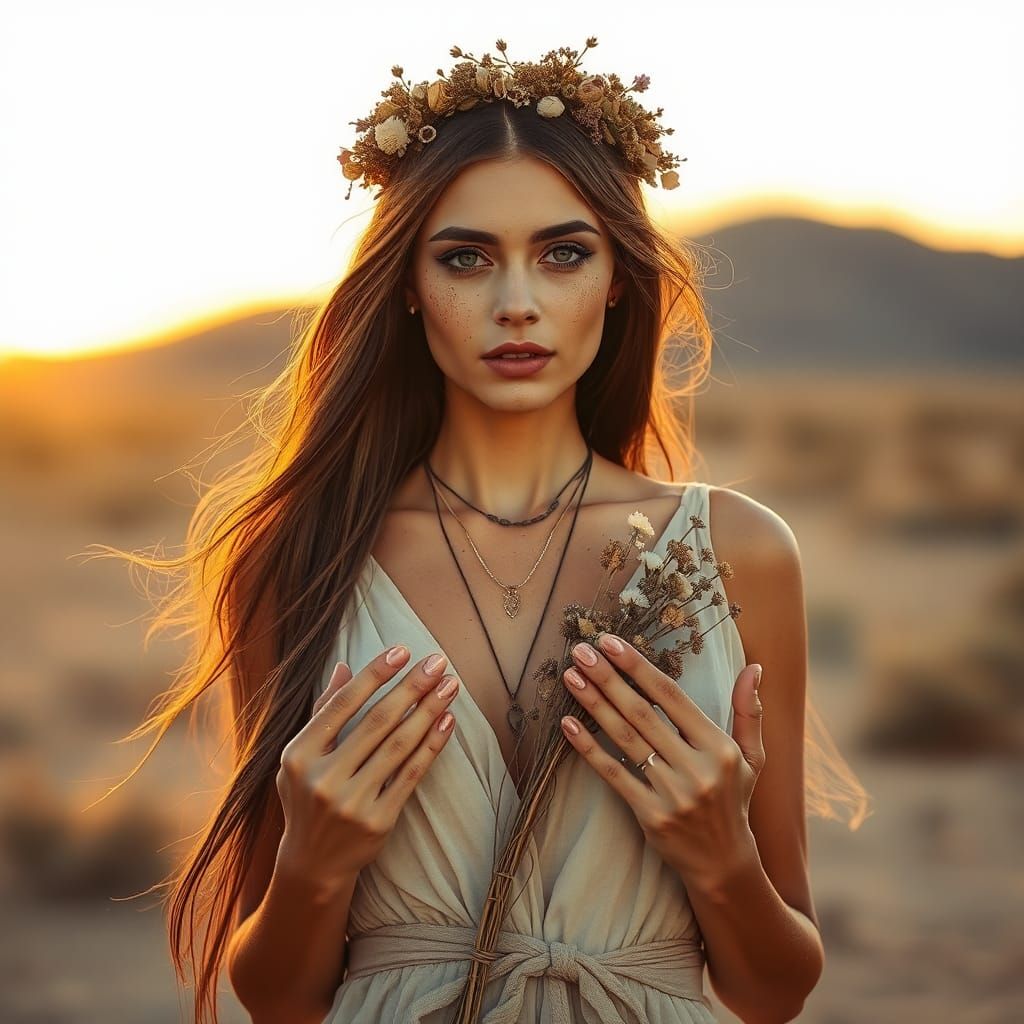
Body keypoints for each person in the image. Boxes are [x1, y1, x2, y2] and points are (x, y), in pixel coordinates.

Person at [99, 36, 869, 1024]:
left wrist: (720, 855)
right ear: (410, 284)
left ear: (617, 279)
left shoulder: (738, 552)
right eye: (466, 257)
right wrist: (311, 863)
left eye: (562, 254)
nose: (517, 304)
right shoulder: (301, 559)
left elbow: (773, 990)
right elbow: (279, 999)